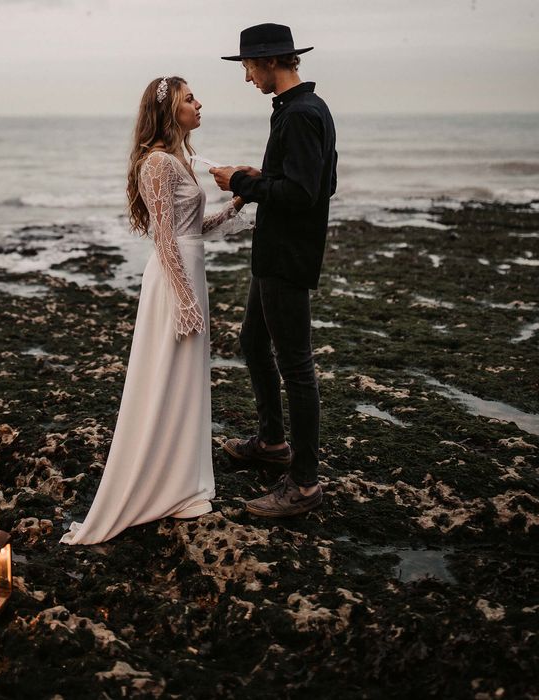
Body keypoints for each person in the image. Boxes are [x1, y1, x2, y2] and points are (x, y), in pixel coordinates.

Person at [60, 76, 244, 545]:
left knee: (187, 379)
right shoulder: (158, 163)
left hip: (189, 272)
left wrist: (234, 207)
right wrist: (183, 298)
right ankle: (158, 483)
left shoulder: (177, 159)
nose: (199, 104)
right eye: (190, 99)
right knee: (166, 376)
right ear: (168, 110)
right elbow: (163, 236)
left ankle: (182, 483)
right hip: (174, 280)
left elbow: (191, 227)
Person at [210, 23, 338, 518]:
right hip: (274, 253)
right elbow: (319, 182)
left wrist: (241, 180)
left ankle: (304, 484)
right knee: (251, 342)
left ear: (268, 62)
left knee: (297, 367)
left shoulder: (302, 115)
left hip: (287, 256)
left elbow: (306, 195)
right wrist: (264, 178)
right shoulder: (303, 110)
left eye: (246, 67)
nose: (246, 77)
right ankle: (270, 442)